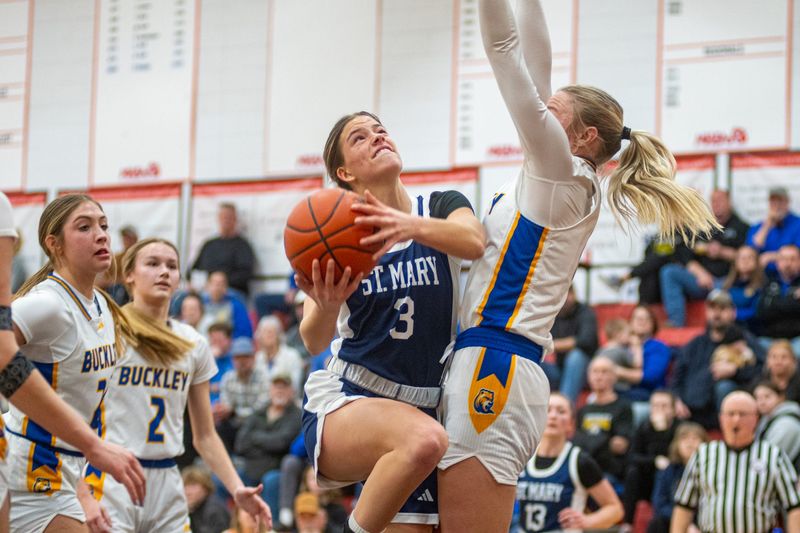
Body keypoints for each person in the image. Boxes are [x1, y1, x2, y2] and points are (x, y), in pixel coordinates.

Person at [437, 1, 718, 530]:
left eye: (554, 110)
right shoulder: (553, 170)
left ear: (585, 136)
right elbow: (534, 55)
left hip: (495, 363)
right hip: (492, 358)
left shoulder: (559, 171)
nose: (543, 109)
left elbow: (504, 51)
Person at [299, 111, 485, 533]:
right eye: (360, 137)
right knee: (424, 440)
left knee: (423, 440)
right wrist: (327, 304)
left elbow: (474, 241)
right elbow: (312, 340)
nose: (377, 135)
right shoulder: (340, 234)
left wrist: (406, 226)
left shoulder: (440, 206)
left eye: (380, 129)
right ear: (344, 172)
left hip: (425, 405)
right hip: (352, 396)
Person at [77, 238, 271, 532]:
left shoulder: (193, 343)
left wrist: (236, 487)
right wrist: (81, 492)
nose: (164, 272)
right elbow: (72, 417)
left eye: (172, 266)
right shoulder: (106, 331)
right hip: (113, 475)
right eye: (153, 264)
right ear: (129, 274)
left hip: (167, 478)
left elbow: (205, 436)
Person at [3, 194, 148, 533]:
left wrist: (84, 489)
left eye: (103, 225)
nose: (101, 234)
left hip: (66, 468)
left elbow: (83, 410)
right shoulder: (47, 304)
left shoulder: (102, 305)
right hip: (29, 470)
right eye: (84, 227)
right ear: (54, 244)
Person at [672, 391, 800, 533]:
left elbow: (794, 506)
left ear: (755, 419)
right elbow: (684, 506)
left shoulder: (773, 456)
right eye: (731, 414)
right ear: (721, 418)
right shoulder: (703, 455)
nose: (736, 420)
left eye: (742, 414)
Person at [515, 392, 623, 533]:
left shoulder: (580, 461)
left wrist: (587, 521)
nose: (553, 416)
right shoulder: (522, 457)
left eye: (561, 411)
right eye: (548, 410)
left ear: (571, 424)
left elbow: (615, 509)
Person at [672, 290, 765, 428]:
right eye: (712, 308)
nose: (716, 314)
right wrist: (676, 399)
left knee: (724, 387)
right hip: (690, 410)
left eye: (722, 308)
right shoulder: (695, 344)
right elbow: (677, 377)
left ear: (733, 312)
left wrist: (736, 371)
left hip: (725, 411)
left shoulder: (745, 340)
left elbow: (763, 370)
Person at [659, 190, 749, 326]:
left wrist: (722, 252)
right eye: (713, 200)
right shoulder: (700, 227)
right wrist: (700, 273)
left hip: (728, 281)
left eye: (720, 200)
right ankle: (676, 322)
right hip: (702, 280)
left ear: (729, 202)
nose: (716, 204)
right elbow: (683, 254)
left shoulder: (741, 227)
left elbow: (749, 257)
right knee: (669, 272)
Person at [236, 373, 302, 519]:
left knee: (271, 480)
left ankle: (274, 526)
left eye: (284, 387)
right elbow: (240, 444)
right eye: (276, 387)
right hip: (251, 468)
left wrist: (255, 437)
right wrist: (267, 443)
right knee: (226, 479)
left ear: (292, 391)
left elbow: (282, 443)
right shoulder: (258, 413)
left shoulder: (296, 415)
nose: (279, 391)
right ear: (270, 390)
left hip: (276, 469)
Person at [571, 356, 633, 487]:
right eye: (595, 371)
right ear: (588, 376)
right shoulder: (583, 410)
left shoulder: (623, 407)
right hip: (584, 468)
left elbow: (619, 446)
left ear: (614, 377)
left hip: (608, 472)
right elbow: (577, 443)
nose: (599, 376)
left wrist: (589, 441)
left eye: (604, 372)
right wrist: (603, 441)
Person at [621, 390, 678, 529]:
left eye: (664, 406)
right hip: (646, 480)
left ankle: (659, 523)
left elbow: (678, 457)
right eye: (655, 406)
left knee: (664, 472)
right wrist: (654, 461)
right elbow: (632, 456)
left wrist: (662, 432)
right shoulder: (644, 427)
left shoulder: (680, 428)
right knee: (632, 472)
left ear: (673, 410)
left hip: (672, 482)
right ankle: (627, 524)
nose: (659, 410)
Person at [539, 285, 598, 403]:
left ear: (573, 295)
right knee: (535, 362)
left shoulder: (585, 312)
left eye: (568, 294)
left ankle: (564, 405)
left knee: (576, 356)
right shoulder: (552, 315)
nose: (565, 299)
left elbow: (585, 340)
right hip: (559, 368)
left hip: (586, 368)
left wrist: (552, 345)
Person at [647, 422, 708, 533]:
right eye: (684, 439)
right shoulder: (668, 470)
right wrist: (683, 522)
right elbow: (659, 504)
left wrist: (693, 523)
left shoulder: (710, 470)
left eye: (695, 438)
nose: (690, 443)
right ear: (676, 444)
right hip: (671, 520)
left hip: (702, 521)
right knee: (656, 523)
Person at [215, 336, 270, 452]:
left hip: (257, 423)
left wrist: (234, 411)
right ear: (233, 360)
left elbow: (261, 408)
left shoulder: (263, 377)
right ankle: (227, 459)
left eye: (246, 357)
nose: (242, 361)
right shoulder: (228, 378)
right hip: (235, 422)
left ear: (253, 358)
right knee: (219, 424)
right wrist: (225, 410)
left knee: (256, 423)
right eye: (237, 358)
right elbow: (227, 404)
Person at [191, 202, 256, 297]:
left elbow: (245, 275)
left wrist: (220, 283)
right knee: (182, 299)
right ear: (218, 219)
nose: (226, 220)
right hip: (205, 291)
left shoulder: (243, 246)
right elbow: (193, 270)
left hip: (230, 292)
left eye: (229, 217)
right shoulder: (208, 244)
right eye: (223, 217)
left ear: (235, 219)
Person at [614, 305, 671, 402]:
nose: (642, 321)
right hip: (618, 393)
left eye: (646, 318)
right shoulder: (620, 345)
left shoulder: (658, 347)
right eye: (638, 318)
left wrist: (618, 372)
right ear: (630, 323)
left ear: (653, 324)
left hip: (647, 396)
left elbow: (650, 377)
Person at [756, 243, 800, 352]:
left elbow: (770, 308)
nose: (788, 263)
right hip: (770, 338)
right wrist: (793, 301)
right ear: (777, 263)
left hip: (797, 338)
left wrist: (775, 303)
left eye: (792, 259)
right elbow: (761, 312)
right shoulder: (768, 282)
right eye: (784, 259)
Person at [746, 186, 800, 272]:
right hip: (763, 275)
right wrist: (767, 225)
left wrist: (773, 256)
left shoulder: (797, 223)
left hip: (790, 274)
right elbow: (751, 250)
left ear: (787, 202)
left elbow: (797, 252)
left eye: (780, 201)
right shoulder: (759, 226)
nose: (777, 206)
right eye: (773, 202)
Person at [753, 380, 800, 470]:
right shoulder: (766, 420)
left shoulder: (787, 424)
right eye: (757, 398)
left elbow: (768, 460)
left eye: (767, 396)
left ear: (781, 398)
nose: (762, 402)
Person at [254, 315, 304, 396]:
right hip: (261, 405)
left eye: (271, 332)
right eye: (264, 332)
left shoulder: (292, 356)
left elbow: (295, 386)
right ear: (259, 336)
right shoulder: (257, 359)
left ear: (278, 335)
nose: (268, 336)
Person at [721, 245, 765, 331]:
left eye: (750, 257)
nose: (745, 261)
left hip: (752, 330)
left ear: (756, 262)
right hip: (729, 330)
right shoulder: (727, 286)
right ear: (735, 262)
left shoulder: (762, 286)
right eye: (741, 258)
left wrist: (735, 314)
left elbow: (758, 311)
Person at [202, 271, 253, 340]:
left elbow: (244, 331)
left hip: (229, 343)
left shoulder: (236, 306)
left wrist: (227, 342)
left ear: (226, 287)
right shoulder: (200, 305)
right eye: (214, 283)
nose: (217, 287)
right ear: (207, 286)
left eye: (221, 284)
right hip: (205, 340)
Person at [183, 465, 232, 533]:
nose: (188, 492)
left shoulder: (214, 510)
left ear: (206, 487)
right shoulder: (192, 508)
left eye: (193, 486)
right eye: (185, 486)